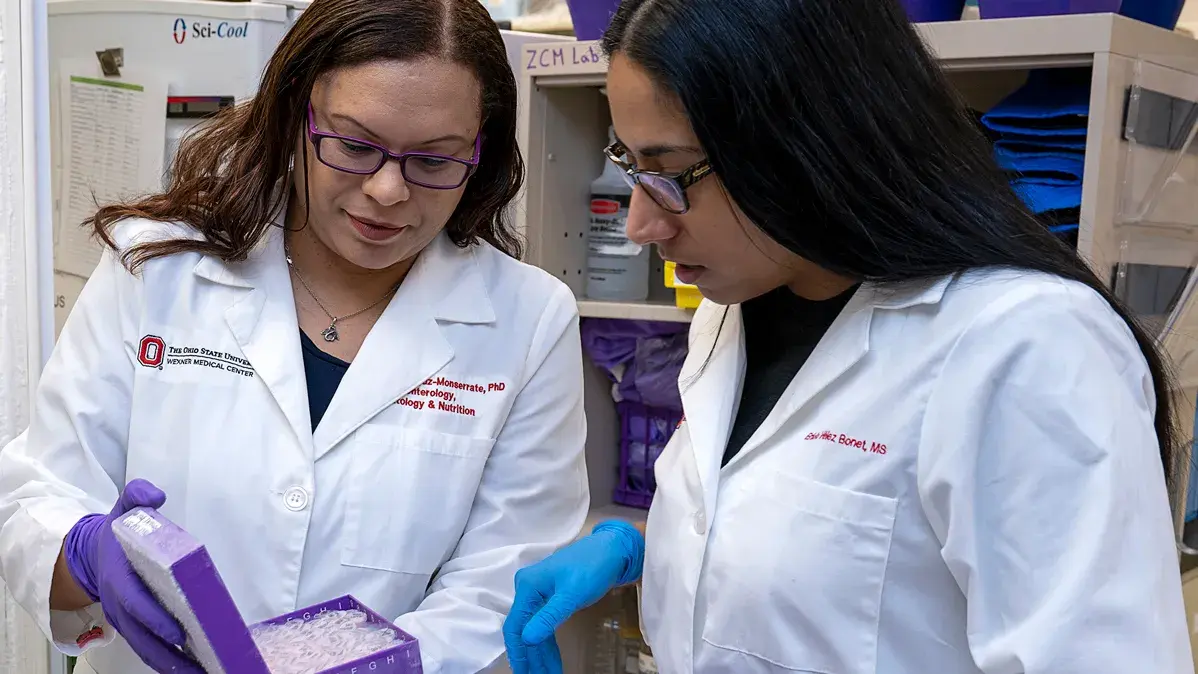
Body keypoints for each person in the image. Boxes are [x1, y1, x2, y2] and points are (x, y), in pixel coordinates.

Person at [502, 0, 1193, 672]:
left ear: (807, 141)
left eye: (672, 174)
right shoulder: (738, 304)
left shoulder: (1026, 347)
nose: (641, 226)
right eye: (631, 166)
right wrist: (645, 546)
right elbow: (839, 566)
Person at [0, 0, 590, 672]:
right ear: (294, 116)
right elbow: (35, 493)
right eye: (354, 144)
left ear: (479, 155)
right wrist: (80, 549)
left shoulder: (528, 319)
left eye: (434, 160)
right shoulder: (158, 267)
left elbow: (501, 580)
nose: (388, 188)